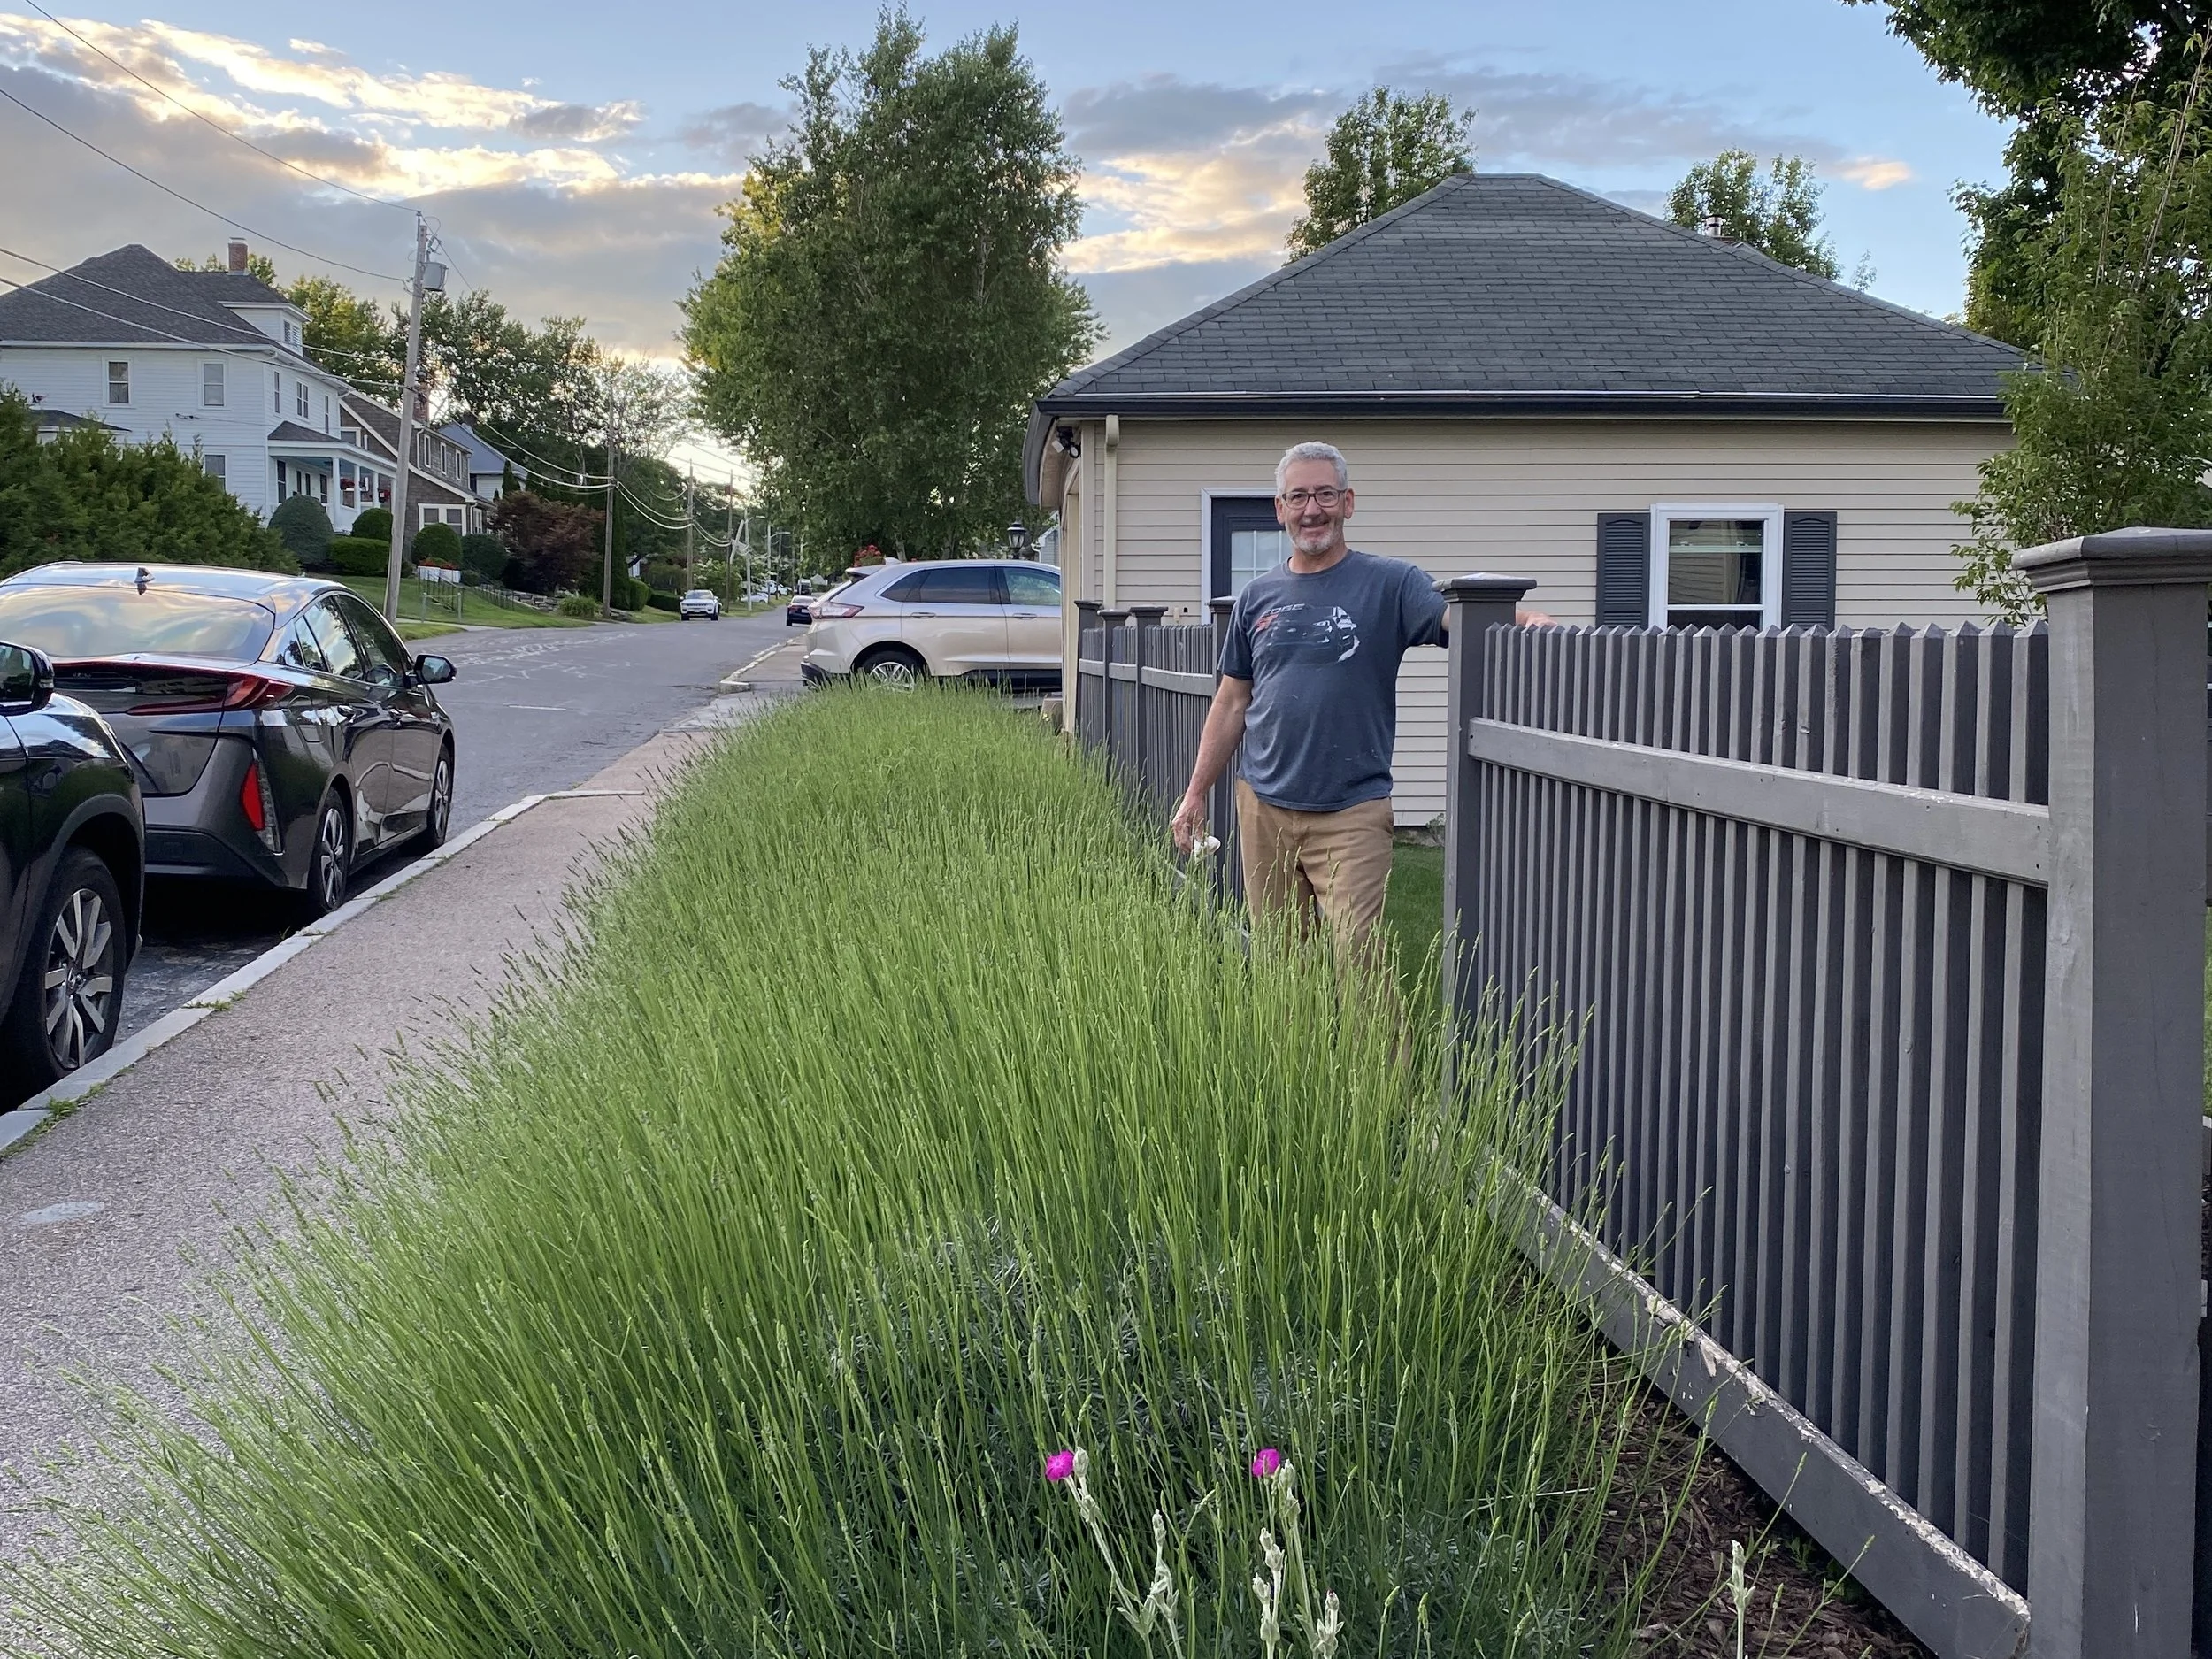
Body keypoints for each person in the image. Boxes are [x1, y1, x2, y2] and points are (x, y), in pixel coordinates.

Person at [1169, 441, 1541, 961]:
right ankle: (1299, 1048)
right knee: (1280, 968)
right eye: (1298, 496)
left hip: (1351, 812)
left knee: (1358, 959)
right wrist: (1195, 793)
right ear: (1280, 510)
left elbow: (1453, 616)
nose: (1311, 509)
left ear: (1348, 503)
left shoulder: (1389, 584)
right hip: (1263, 806)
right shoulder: (1256, 597)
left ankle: (1378, 1049)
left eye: (1325, 494)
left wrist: (1523, 620)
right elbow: (1232, 702)